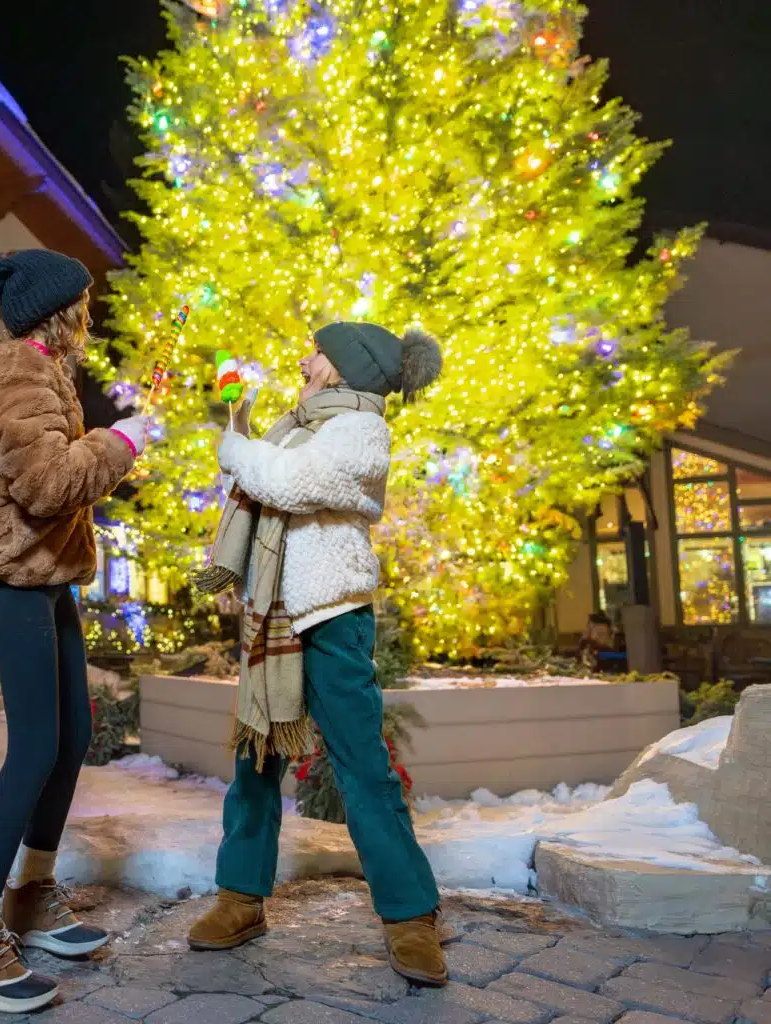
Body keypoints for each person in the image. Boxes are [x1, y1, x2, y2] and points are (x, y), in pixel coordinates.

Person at [189, 321, 449, 985]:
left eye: (316, 352)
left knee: (363, 766)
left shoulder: (363, 429)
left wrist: (237, 449)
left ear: (339, 366)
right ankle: (240, 898)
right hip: (273, 615)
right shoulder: (295, 421)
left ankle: (411, 915)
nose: (304, 361)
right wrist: (246, 439)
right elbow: (263, 493)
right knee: (256, 761)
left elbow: (296, 483)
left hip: (333, 617)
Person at [0, 249, 151, 1013]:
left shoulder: (34, 370)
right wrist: (120, 444)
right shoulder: (19, 372)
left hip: (44, 575)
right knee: (33, 750)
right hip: (12, 576)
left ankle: (30, 893)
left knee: (70, 735)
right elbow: (48, 483)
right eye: (83, 307)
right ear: (58, 313)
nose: (90, 320)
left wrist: (112, 446)